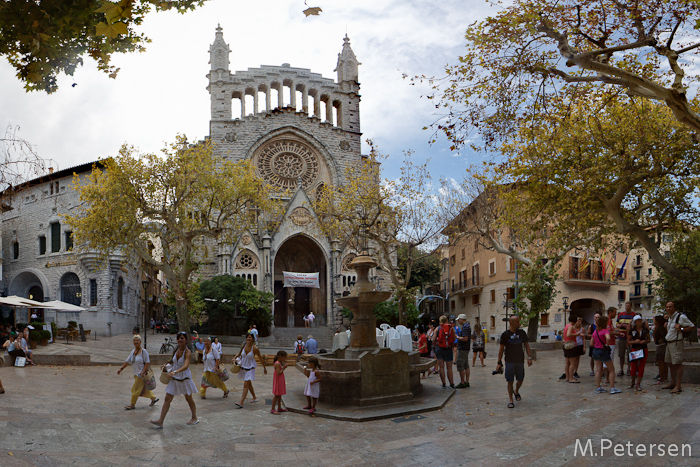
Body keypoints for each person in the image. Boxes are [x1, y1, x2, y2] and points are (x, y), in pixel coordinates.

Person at [150, 331, 199, 428]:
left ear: (186, 340)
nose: (180, 340)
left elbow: (186, 365)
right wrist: (166, 366)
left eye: (182, 338)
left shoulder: (187, 352)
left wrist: (175, 372)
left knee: (189, 398)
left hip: (184, 379)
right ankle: (160, 421)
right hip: (175, 378)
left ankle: (194, 417)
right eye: (178, 338)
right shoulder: (176, 350)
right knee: (167, 399)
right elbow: (172, 362)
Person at [496, 315, 533, 408]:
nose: (519, 323)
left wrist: (529, 357)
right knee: (510, 381)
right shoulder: (505, 335)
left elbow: (527, 345)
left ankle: (516, 391)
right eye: (517, 322)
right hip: (509, 361)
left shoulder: (522, 333)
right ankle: (511, 400)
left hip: (520, 361)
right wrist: (499, 362)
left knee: (520, 379)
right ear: (511, 323)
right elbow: (501, 349)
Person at [117, 335, 158, 409]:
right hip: (136, 374)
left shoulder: (144, 351)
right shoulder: (133, 352)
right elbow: (127, 361)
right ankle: (153, 398)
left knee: (135, 389)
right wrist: (121, 368)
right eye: (134, 340)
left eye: (137, 340)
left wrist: (143, 371)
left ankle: (132, 404)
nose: (136, 342)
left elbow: (147, 362)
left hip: (141, 375)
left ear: (140, 342)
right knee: (142, 389)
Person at [662, 301, 695, 394]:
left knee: (677, 364)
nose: (668, 308)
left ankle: (678, 386)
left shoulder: (681, 317)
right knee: (670, 363)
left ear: (674, 308)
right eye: (667, 307)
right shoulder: (669, 318)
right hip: (669, 343)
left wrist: (681, 329)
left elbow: (692, 327)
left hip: (676, 343)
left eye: (670, 307)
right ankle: (672, 383)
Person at [233, 333, 267, 408]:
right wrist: (235, 357)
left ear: (253, 339)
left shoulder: (255, 348)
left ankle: (241, 402)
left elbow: (261, 359)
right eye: (247, 337)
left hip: (250, 368)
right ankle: (254, 397)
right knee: (248, 384)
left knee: (246, 384)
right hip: (243, 368)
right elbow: (239, 353)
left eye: (250, 337)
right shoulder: (243, 345)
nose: (248, 339)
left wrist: (264, 368)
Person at [591, 315, 620, 394]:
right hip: (602, 351)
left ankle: (598, 387)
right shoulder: (605, 331)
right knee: (611, 369)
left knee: (598, 370)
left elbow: (591, 343)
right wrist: (606, 345)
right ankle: (612, 387)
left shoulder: (595, 331)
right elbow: (608, 338)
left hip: (595, 351)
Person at [627, 315, 650, 391]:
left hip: (643, 349)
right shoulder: (632, 330)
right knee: (633, 366)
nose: (639, 322)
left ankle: (638, 383)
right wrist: (634, 341)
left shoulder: (645, 330)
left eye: (640, 320)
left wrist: (645, 341)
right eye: (638, 321)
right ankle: (632, 381)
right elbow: (628, 341)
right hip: (635, 349)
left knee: (641, 366)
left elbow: (649, 339)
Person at [434, 315, 456, 389]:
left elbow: (433, 339)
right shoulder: (451, 328)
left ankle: (444, 383)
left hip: (439, 349)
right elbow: (454, 338)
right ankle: (452, 383)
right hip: (448, 349)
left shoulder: (437, 328)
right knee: (449, 368)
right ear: (447, 320)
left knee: (441, 367)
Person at [616, 302, 635, 376]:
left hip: (630, 337)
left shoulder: (634, 315)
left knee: (630, 354)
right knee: (621, 354)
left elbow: (635, 325)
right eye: (626, 306)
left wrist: (629, 326)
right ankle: (621, 369)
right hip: (621, 337)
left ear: (631, 306)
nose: (627, 307)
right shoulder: (620, 315)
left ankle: (629, 369)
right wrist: (620, 325)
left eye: (628, 306)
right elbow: (617, 324)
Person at [455, 314, 471, 388]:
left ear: (462, 319)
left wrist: (457, 337)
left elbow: (465, 338)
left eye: (458, 320)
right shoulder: (467, 326)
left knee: (460, 364)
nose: (458, 321)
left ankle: (462, 382)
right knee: (466, 365)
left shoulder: (465, 327)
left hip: (463, 348)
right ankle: (467, 381)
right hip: (466, 348)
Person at [562, 315, 579, 383]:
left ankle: (567, 377)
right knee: (572, 363)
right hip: (571, 345)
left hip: (566, 344)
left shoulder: (566, 326)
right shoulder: (571, 327)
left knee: (567, 362)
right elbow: (569, 334)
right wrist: (577, 334)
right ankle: (571, 378)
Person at [271, 350, 288, 414]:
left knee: (279, 395)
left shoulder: (278, 363)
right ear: (280, 357)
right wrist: (283, 368)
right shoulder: (277, 364)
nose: (284, 359)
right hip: (278, 380)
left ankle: (279, 407)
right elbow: (278, 373)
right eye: (284, 358)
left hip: (279, 380)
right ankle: (272, 409)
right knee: (276, 395)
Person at [653, 315, 668, 385]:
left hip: (660, 347)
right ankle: (665, 377)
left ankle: (662, 378)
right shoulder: (660, 328)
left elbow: (661, 336)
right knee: (664, 363)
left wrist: (660, 341)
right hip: (662, 346)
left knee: (661, 363)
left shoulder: (660, 328)